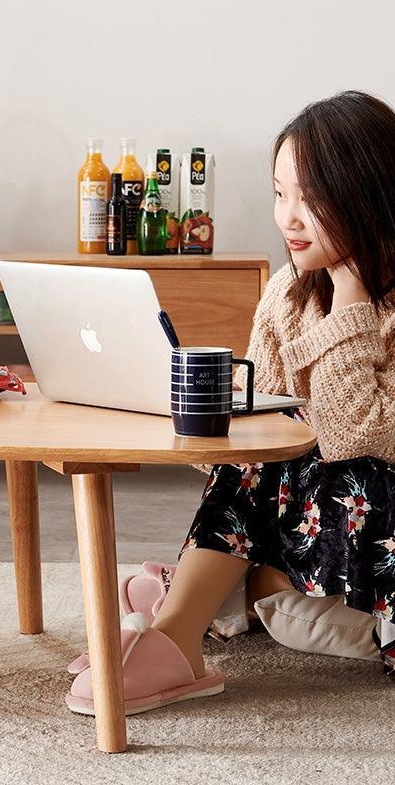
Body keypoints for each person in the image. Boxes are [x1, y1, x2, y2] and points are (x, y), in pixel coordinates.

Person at [67, 90, 395, 716]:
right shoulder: (288, 293)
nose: (288, 217)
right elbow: (263, 425)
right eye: (280, 193)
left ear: (368, 195)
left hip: (382, 527)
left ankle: (194, 607)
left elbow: (362, 433)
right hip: (310, 523)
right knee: (263, 452)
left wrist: (351, 296)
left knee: (304, 458)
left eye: (312, 198)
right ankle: (181, 629)